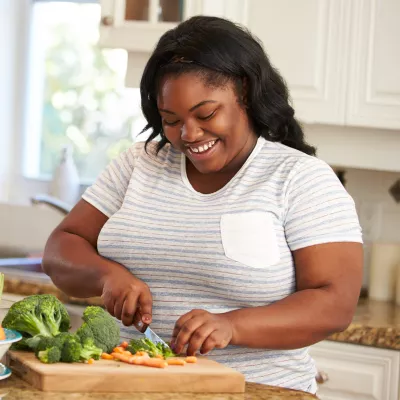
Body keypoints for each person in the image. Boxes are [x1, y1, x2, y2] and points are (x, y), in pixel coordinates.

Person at [42, 16, 363, 394]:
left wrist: (232, 325)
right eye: (171, 120)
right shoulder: (140, 162)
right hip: (129, 385)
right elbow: (61, 247)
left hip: (256, 390)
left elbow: (335, 303)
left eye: (206, 114)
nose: (188, 135)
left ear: (243, 90)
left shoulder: (300, 178)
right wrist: (107, 276)